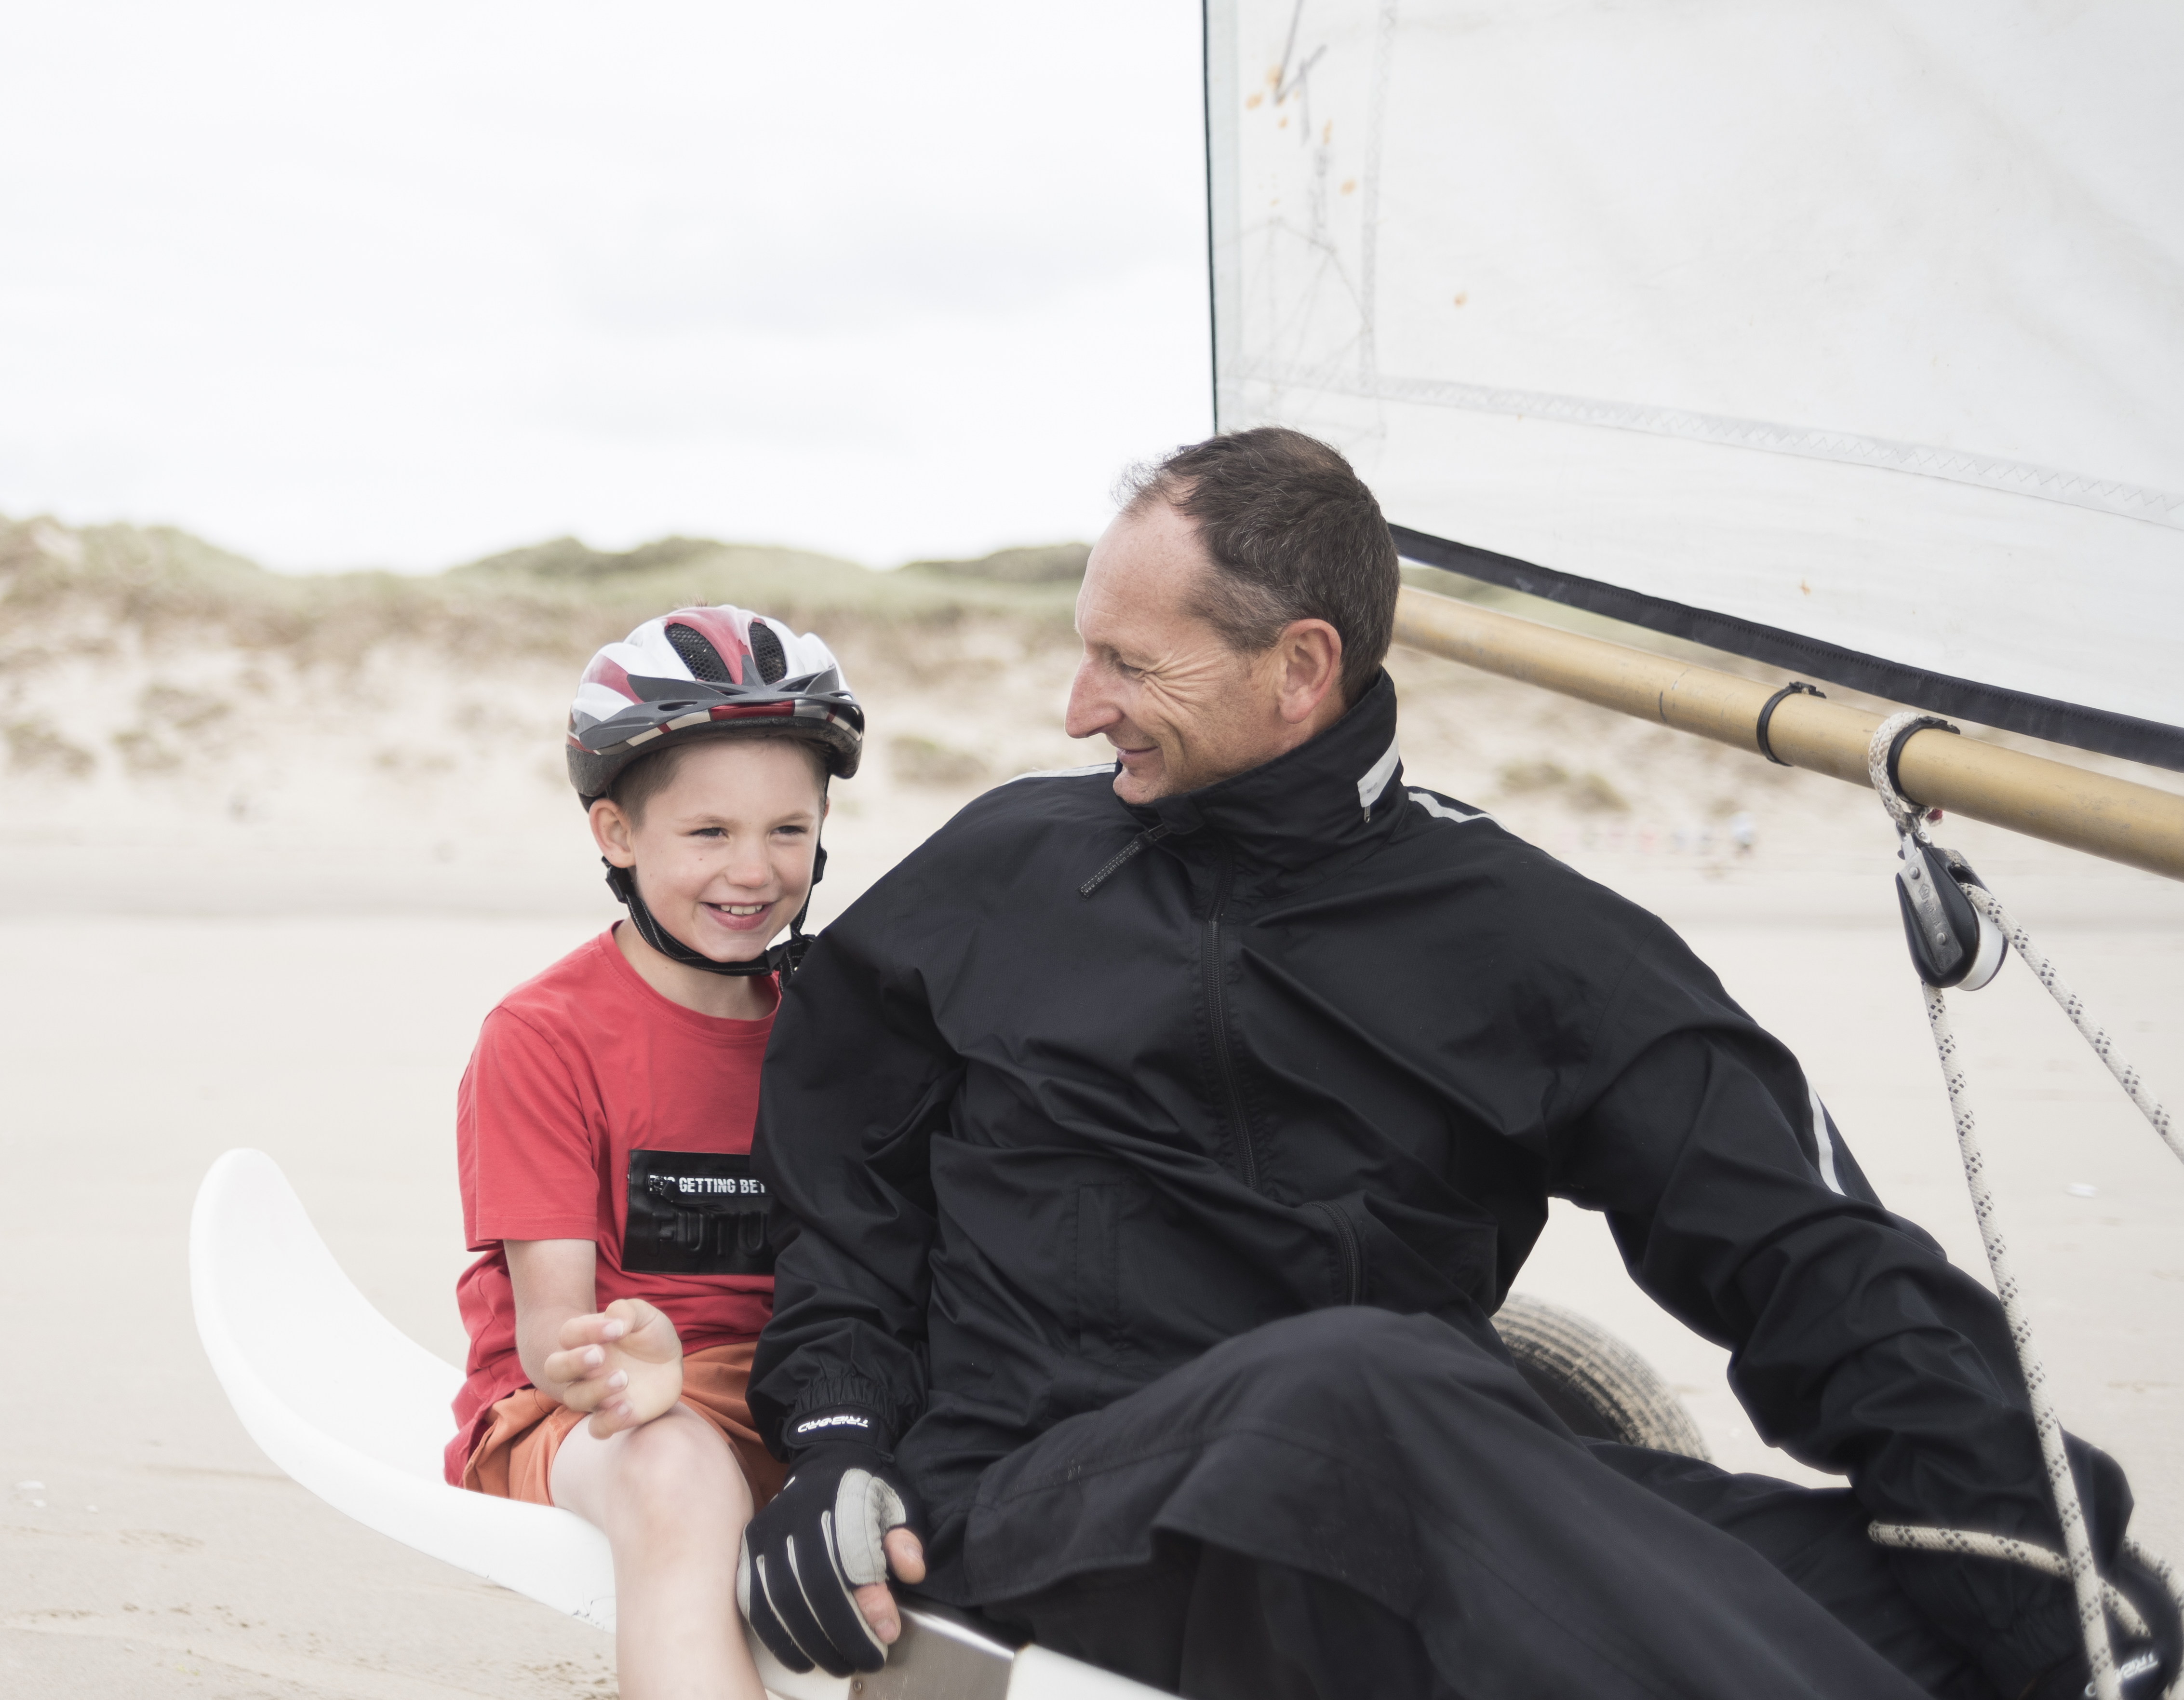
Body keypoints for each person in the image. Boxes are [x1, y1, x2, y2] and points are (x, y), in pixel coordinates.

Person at [738, 430, 2175, 1700]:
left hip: (1394, 1496)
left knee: (1955, 1618)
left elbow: (1815, 1261)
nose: (1076, 705)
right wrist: (835, 1436)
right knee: (1359, 1393)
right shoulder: (1006, 868)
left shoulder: (1529, 938)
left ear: (1297, 666)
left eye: (1129, 661)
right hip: (1046, 1505)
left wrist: (2041, 1573)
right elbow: (838, 1201)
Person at [446, 604, 864, 1700]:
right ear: (617, 835)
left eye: (789, 828)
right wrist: (619, 1354)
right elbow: (554, 1336)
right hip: (595, 1414)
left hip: (789, 1392)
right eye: (710, 832)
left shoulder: (838, 1026)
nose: (757, 869)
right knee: (676, 1469)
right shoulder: (543, 1037)